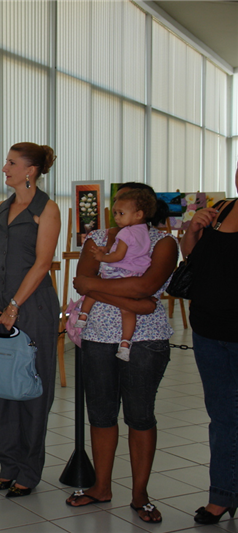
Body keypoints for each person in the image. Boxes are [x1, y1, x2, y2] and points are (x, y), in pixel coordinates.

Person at [65, 182, 177, 524]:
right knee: (100, 414)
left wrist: (104, 289)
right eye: (116, 207)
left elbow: (146, 286)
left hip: (146, 340)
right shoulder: (96, 240)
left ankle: (140, 494)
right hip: (98, 336)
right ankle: (101, 487)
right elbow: (82, 282)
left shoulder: (164, 243)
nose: (117, 212)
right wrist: (136, 302)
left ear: (143, 211)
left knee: (140, 415)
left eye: (124, 206)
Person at [0, 142, 61, 497]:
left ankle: (29, 470)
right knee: (1, 389)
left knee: (32, 390)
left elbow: (43, 263)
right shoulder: (1, 208)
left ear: (30, 170)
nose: (4, 168)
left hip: (33, 309)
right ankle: (7, 466)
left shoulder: (49, 210)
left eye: (11, 163)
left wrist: (14, 306)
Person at [181, 161, 238, 525]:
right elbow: (192, 257)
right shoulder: (223, 209)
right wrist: (193, 229)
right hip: (208, 330)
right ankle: (222, 495)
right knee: (222, 417)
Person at [76, 189, 157, 361]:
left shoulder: (126, 232)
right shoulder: (145, 231)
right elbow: (129, 251)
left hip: (119, 272)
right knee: (128, 312)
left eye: (121, 213)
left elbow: (118, 255)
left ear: (138, 214)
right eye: (115, 213)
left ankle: (83, 316)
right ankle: (125, 343)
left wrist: (102, 257)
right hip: (135, 273)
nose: (117, 218)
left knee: (93, 289)